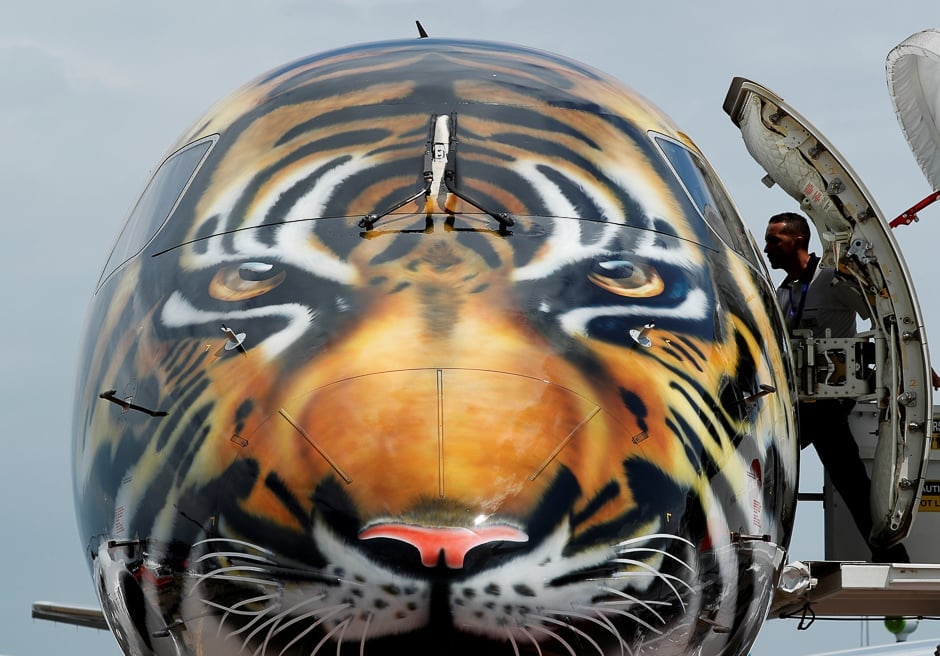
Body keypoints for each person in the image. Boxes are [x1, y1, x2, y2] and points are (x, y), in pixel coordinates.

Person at [764, 211, 909, 563]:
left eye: (774, 241)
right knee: (842, 478)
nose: (767, 249)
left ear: (797, 240)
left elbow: (886, 320)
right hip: (800, 404)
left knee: (837, 478)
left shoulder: (833, 282)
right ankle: (891, 554)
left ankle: (890, 554)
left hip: (829, 403)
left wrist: (916, 365)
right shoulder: (781, 292)